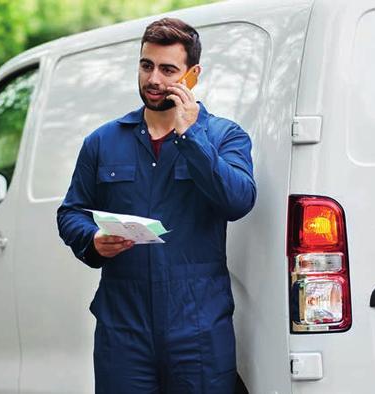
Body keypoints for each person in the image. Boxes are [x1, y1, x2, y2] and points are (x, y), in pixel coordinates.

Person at [56, 17, 257, 393]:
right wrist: (93, 240)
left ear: (193, 75)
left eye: (168, 70)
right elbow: (71, 212)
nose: (153, 79)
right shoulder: (103, 141)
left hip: (198, 330)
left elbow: (238, 200)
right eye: (146, 65)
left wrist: (191, 136)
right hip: (124, 330)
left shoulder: (224, 136)